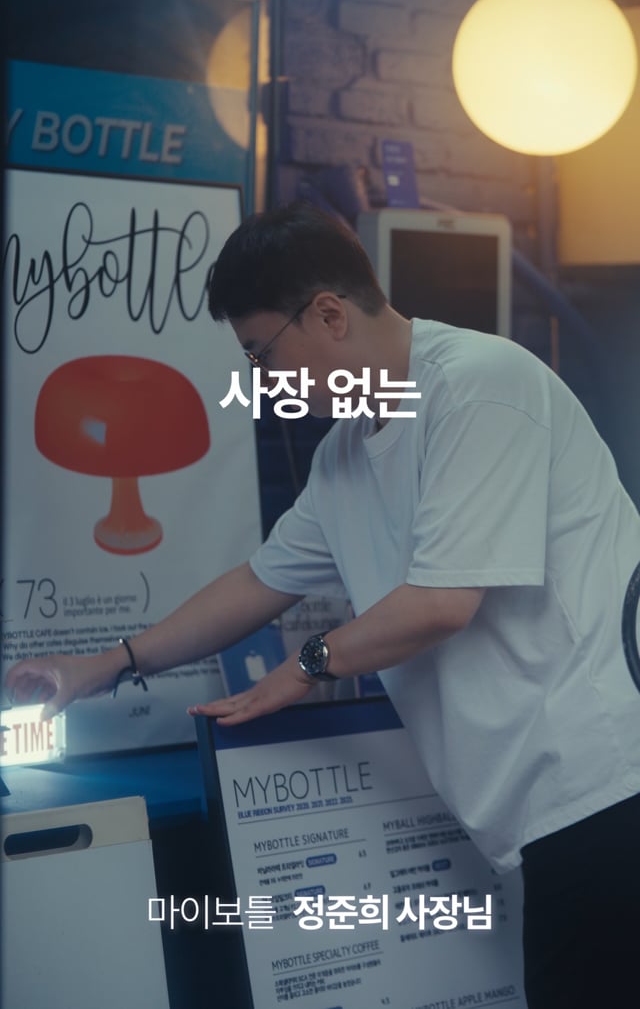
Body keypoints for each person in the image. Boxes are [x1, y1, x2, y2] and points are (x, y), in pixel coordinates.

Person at [5, 202, 640, 1008]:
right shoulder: (343, 454)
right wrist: (104, 664)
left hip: (608, 782)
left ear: (329, 315)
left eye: (262, 352)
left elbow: (442, 602)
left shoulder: (481, 386)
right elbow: (256, 583)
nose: (262, 381)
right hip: (541, 808)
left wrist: (306, 666)